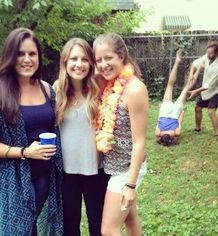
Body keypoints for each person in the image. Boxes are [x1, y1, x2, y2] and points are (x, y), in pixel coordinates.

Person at [0, 28, 63, 235]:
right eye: (20, 54)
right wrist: (25, 152)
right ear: (11, 56)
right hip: (13, 180)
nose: (27, 59)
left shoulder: (46, 89)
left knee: (33, 227)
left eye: (32, 54)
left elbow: (55, 126)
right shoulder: (2, 91)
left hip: (45, 177)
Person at [93, 33, 148, 236]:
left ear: (121, 56)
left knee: (108, 230)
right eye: (98, 60)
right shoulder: (110, 86)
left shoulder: (134, 89)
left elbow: (139, 142)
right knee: (130, 219)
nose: (103, 64)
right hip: (115, 167)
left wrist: (130, 185)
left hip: (127, 169)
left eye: (108, 58)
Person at [53, 38, 109, 236]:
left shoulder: (100, 89)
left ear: (91, 63)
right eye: (73, 59)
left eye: (84, 59)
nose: (79, 64)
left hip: (96, 169)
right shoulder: (56, 90)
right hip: (66, 172)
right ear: (65, 62)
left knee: (98, 226)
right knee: (70, 227)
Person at [155, 49, 202, 146]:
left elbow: (179, 122)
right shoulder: (158, 133)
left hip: (175, 114)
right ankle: (177, 61)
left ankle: (199, 68)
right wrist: (160, 109)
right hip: (164, 113)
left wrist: (181, 112)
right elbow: (158, 120)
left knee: (187, 88)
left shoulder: (176, 133)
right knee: (170, 85)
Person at [188, 42, 218, 137]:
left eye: (211, 53)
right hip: (206, 90)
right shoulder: (207, 57)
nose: (208, 55)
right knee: (197, 108)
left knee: (211, 111)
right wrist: (192, 74)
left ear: (216, 53)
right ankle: (197, 128)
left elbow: (209, 85)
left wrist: (195, 91)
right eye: (207, 53)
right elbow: (194, 64)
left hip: (217, 90)